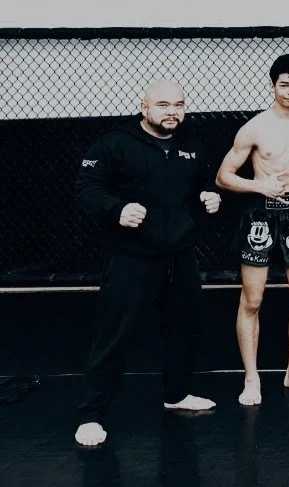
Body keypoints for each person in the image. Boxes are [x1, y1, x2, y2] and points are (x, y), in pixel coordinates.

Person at [74, 80, 221, 448]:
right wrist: (117, 208)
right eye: (163, 104)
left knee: (184, 328)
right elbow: (87, 188)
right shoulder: (115, 143)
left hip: (180, 255)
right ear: (144, 107)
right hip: (131, 258)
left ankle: (177, 394)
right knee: (114, 334)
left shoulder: (192, 146)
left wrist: (210, 196)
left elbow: (204, 183)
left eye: (179, 104)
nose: (172, 111)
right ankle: (92, 415)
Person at [215, 54, 289, 406]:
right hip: (260, 211)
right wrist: (258, 186)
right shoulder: (255, 127)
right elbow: (223, 176)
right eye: (285, 84)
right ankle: (252, 379)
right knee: (252, 298)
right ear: (272, 86)